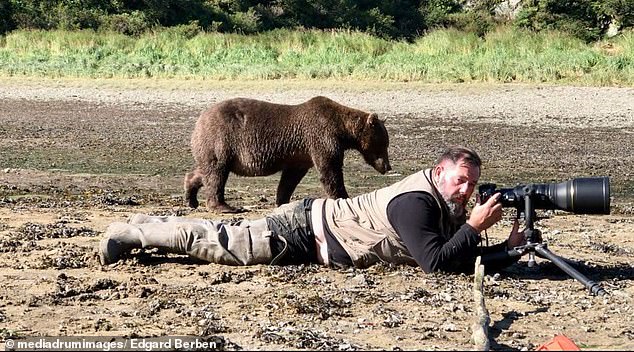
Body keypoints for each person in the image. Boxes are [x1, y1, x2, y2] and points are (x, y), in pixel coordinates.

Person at [99, 146, 527, 273]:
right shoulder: (415, 202)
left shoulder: (440, 198)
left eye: (471, 183)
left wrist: (505, 249)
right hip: (303, 232)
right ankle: (132, 233)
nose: (467, 189)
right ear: (439, 172)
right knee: (219, 243)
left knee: (218, 234)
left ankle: (147, 224)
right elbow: (435, 262)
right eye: (461, 180)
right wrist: (473, 227)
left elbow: (453, 254)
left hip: (315, 235)